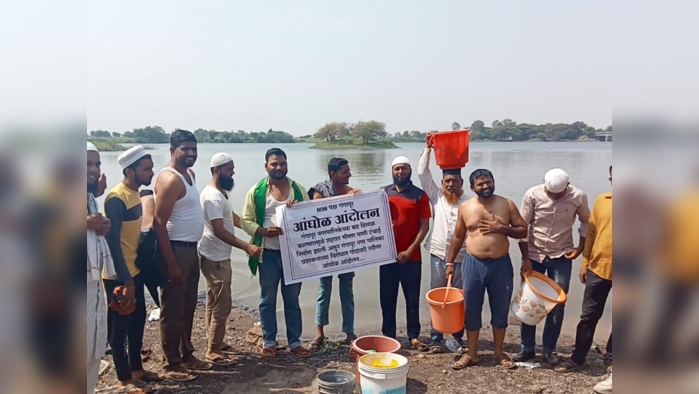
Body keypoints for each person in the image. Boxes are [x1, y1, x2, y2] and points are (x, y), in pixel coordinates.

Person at [446, 169, 528, 370]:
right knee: (471, 309)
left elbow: (522, 230)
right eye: (480, 184)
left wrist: (502, 229)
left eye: (488, 182)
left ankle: (499, 352)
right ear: (472, 187)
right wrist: (450, 263)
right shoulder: (466, 207)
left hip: (500, 264)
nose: (485, 186)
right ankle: (472, 354)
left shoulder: (506, 204)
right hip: (473, 263)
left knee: (500, 309)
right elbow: (458, 236)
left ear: (493, 182)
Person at [241, 148, 313, 359]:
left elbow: (312, 217)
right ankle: (269, 342)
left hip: (293, 255)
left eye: (282, 163)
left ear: (287, 165)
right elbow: (246, 220)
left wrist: (299, 209)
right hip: (268, 254)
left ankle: (295, 342)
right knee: (267, 300)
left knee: (292, 300)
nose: (278, 167)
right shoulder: (256, 191)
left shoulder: (297, 189)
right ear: (266, 166)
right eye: (274, 164)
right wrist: (263, 231)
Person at [514, 168, 591, 365]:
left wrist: (579, 248)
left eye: (559, 194)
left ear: (568, 185)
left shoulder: (579, 197)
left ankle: (549, 349)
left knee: (557, 303)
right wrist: (526, 258)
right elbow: (523, 227)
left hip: (561, 253)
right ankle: (527, 348)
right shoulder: (533, 194)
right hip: (534, 253)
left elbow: (585, 222)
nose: (554, 197)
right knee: (529, 302)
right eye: (551, 193)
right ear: (544, 184)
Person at [103, 146, 163, 389]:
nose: (151, 172)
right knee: (118, 329)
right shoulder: (116, 199)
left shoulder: (136, 194)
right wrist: (125, 280)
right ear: (130, 171)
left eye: (151, 168)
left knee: (137, 323)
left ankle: (137, 369)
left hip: (134, 271)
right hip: (118, 275)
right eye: (146, 169)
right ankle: (124, 379)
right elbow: (113, 245)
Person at [153, 130, 210, 381]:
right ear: (172, 150)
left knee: (188, 306)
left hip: (190, 249)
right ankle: (171, 364)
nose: (191, 153)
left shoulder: (190, 175)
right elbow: (158, 223)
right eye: (185, 149)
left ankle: (186, 355)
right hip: (175, 250)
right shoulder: (170, 179)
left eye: (194, 149)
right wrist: (172, 264)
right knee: (172, 309)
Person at [199, 153, 262, 366]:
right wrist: (247, 246)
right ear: (217, 170)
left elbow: (229, 217)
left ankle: (214, 340)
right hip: (215, 256)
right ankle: (213, 350)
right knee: (222, 305)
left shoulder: (220, 192)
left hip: (216, 255)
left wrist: (248, 227)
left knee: (212, 301)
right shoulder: (212, 196)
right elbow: (218, 230)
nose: (233, 172)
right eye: (229, 169)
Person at [556, 166, 613, 375]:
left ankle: (613, 356)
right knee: (588, 316)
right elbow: (591, 233)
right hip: (598, 268)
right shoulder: (602, 201)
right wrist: (584, 263)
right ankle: (578, 357)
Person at [87, 142, 132, 392]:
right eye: (86, 164)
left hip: (93, 287)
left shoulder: (87, 197)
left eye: (96, 164)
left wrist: (100, 224)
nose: (94, 169)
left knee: (91, 355)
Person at [418, 133, 469, 354]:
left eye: (454, 181)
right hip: (438, 254)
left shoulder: (470, 202)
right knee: (437, 294)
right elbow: (422, 173)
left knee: (460, 296)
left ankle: (458, 336)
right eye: (447, 181)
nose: (451, 184)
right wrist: (428, 148)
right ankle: (436, 336)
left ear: (461, 183)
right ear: (442, 183)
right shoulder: (436, 197)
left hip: (464, 257)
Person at [307, 158, 360, 349]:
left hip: (345, 249)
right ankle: (319, 333)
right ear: (333, 175)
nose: (349, 175)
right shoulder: (319, 191)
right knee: (324, 291)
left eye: (348, 171)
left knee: (347, 291)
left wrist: (356, 195)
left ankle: (349, 331)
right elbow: (319, 211)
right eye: (345, 172)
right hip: (326, 250)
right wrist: (347, 199)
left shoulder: (347, 189)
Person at [381, 156, 431, 351]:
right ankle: (389, 335)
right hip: (387, 257)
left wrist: (410, 250)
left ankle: (414, 336)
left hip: (412, 257)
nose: (400, 172)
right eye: (396, 169)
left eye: (403, 169)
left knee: (412, 298)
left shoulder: (419, 195)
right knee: (387, 298)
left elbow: (425, 226)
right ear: (392, 171)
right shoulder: (382, 193)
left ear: (410, 170)